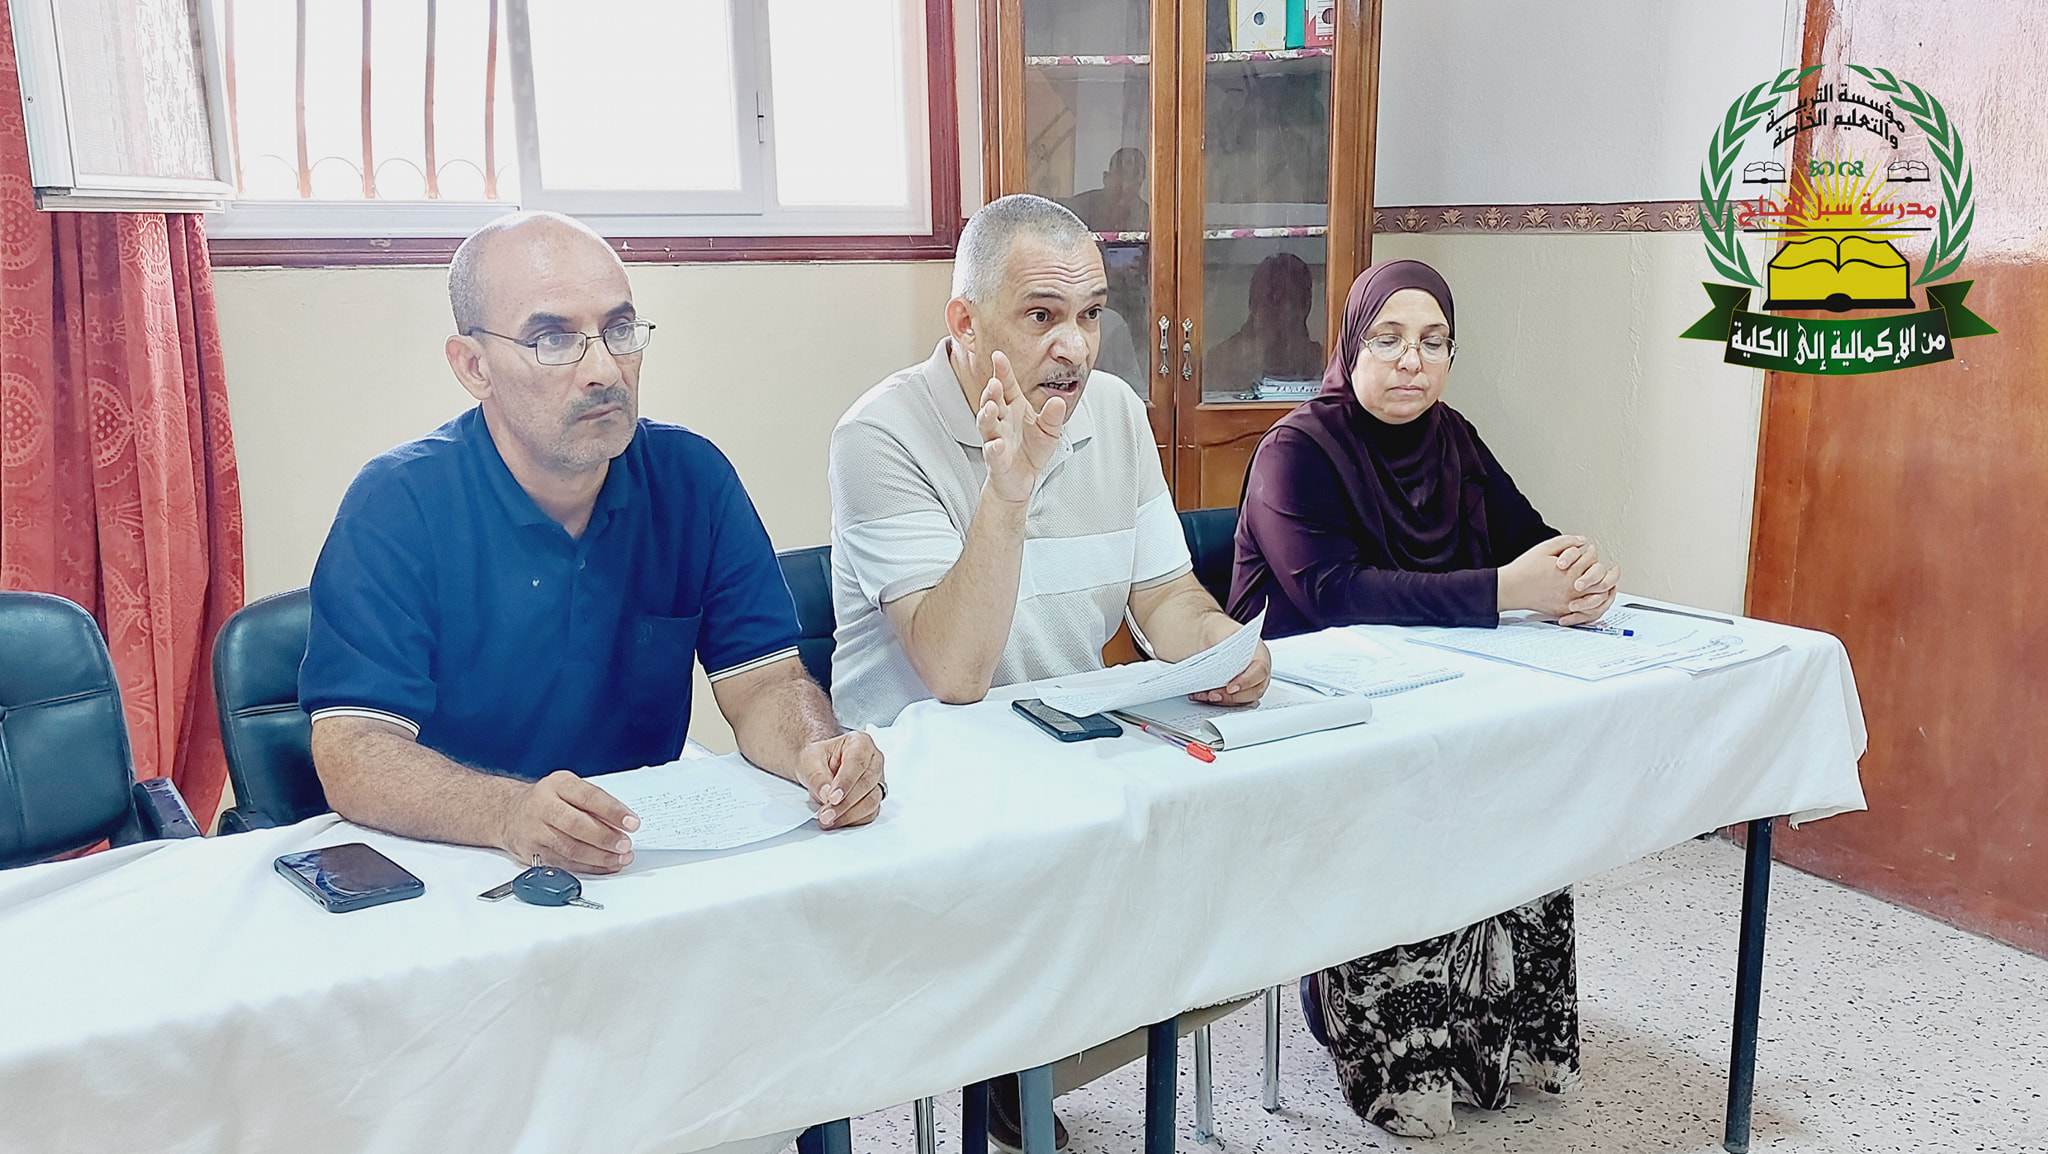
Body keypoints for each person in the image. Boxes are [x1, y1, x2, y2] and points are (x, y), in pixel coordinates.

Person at [828, 192, 1269, 1148]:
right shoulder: (880, 436)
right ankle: (1007, 1056)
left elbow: (1165, 595)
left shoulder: (1114, 413)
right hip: (926, 786)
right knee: (1091, 917)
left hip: (1067, 760)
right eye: (1041, 316)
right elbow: (955, 671)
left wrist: (1221, 646)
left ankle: (1028, 1052)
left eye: (1090, 314)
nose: (1075, 347)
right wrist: (1007, 492)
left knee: (1243, 866)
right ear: (964, 322)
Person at [301, 212, 884, 877]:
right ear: (474, 366)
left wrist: (818, 753)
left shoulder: (691, 478)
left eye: (619, 330)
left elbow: (764, 684)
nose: (603, 369)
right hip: (459, 861)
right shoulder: (396, 504)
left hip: (638, 850)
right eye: (552, 339)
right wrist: (506, 812)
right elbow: (354, 748)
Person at [1227, 258, 1617, 1138]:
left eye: (1434, 342)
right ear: (1350, 345)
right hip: (1317, 716)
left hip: (1441, 696)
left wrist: (1576, 572)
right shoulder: (1296, 451)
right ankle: (1376, 1029)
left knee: (1525, 780)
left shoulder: (1454, 439)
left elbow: (1528, 538)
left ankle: (1502, 1038)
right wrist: (1507, 591)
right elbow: (1336, 593)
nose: (1412, 360)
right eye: (1389, 339)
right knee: (1414, 795)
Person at [1203, 252, 1324, 396]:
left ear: (1306, 306)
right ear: (1252, 303)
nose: (1279, 310)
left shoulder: (1321, 360)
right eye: (1271, 299)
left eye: (1289, 299)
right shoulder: (1222, 360)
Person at [1064, 147, 1148, 234]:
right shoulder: (1081, 207)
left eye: (1131, 179)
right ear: (1106, 178)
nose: (1125, 186)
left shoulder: (1148, 218)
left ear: (1140, 183)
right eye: (1120, 178)